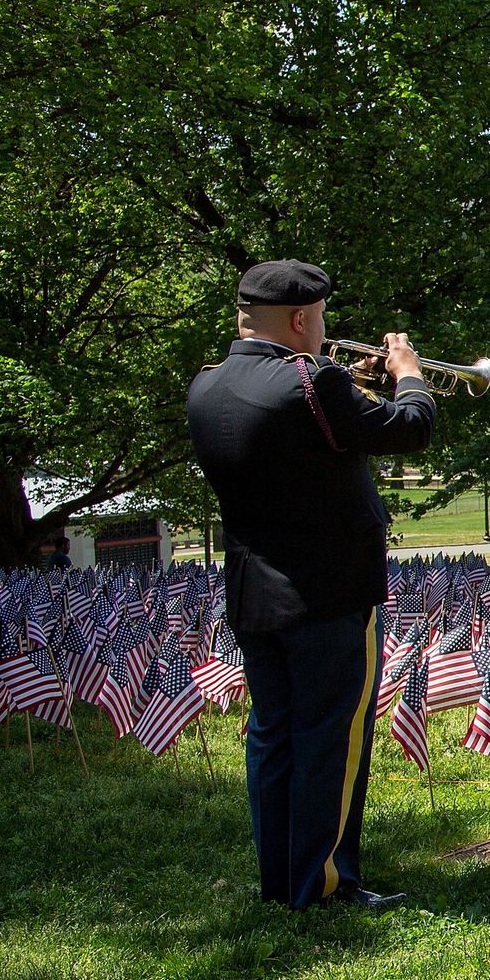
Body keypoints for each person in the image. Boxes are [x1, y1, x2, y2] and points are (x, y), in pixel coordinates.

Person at [187, 260, 436, 910]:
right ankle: (325, 885)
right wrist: (408, 373)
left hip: (254, 592)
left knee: (274, 737)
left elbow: (297, 446)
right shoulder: (312, 381)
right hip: (329, 591)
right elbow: (412, 427)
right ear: (300, 318)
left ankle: (282, 880)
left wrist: (349, 389)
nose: (325, 330)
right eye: (320, 317)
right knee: (330, 738)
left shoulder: (208, 386)